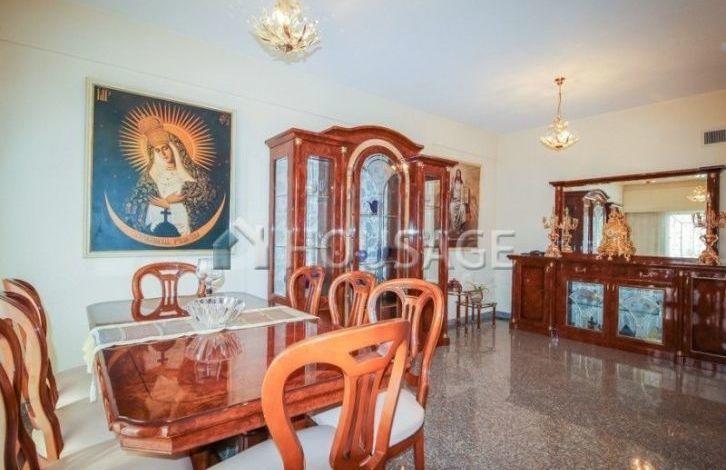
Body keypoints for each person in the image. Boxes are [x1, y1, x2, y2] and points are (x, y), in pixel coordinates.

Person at [124, 116, 217, 236]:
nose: (163, 154)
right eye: (158, 150)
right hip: (156, 234)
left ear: (175, 148)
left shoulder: (196, 176)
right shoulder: (149, 179)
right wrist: (164, 203)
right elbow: (134, 205)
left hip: (186, 236)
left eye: (165, 148)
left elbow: (208, 203)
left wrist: (170, 205)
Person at [450, 168, 469, 233]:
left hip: (460, 201)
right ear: (456, 174)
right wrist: (452, 183)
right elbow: (451, 191)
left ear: (460, 174)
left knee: (463, 208)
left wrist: (462, 200)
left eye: (459, 173)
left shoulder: (462, 183)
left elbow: (464, 192)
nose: (458, 174)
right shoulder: (453, 182)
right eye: (457, 173)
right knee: (451, 206)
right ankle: (454, 228)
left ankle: (460, 227)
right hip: (454, 200)